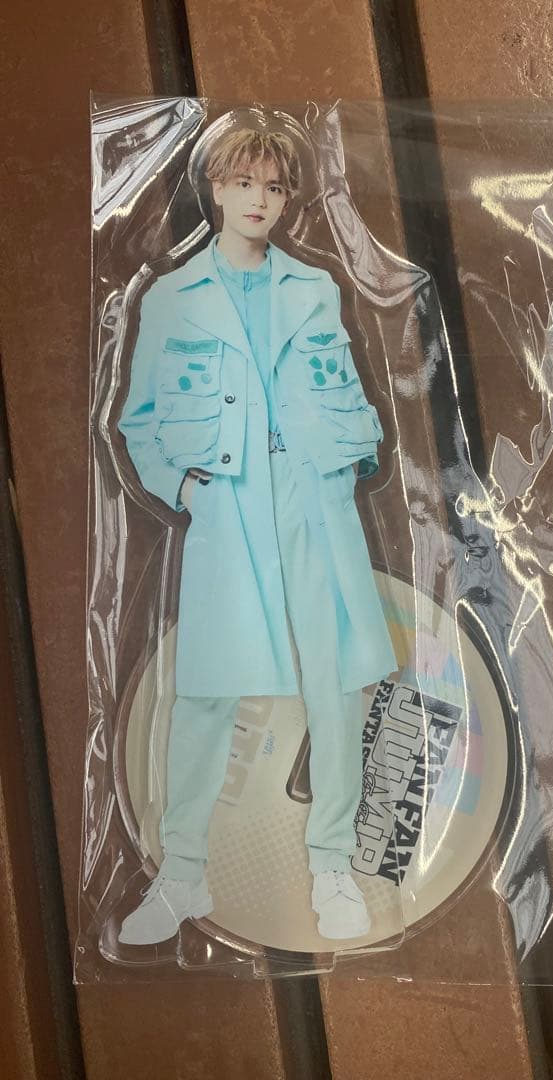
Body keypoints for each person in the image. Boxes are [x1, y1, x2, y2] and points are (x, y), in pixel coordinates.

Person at [116, 126, 397, 945]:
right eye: (243, 183)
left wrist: (347, 465)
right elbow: (138, 422)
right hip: (228, 509)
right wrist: (182, 489)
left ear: (287, 199)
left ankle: (332, 867)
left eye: (273, 187)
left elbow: (348, 391)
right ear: (214, 187)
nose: (258, 201)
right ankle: (181, 873)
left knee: (334, 687)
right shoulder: (173, 296)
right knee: (207, 690)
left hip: (314, 504)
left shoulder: (315, 287)